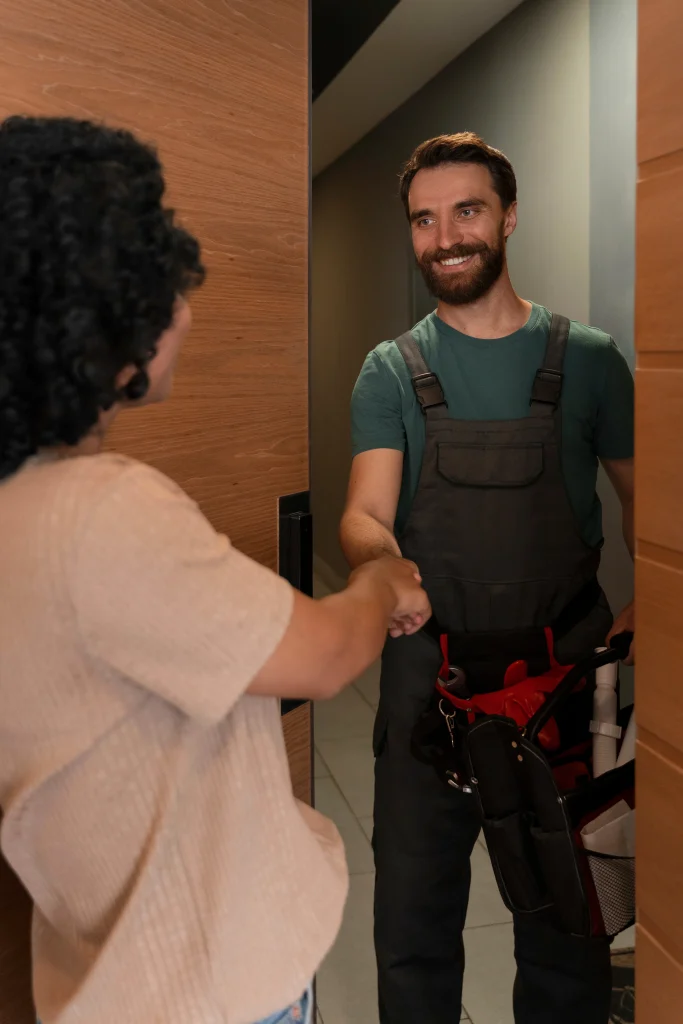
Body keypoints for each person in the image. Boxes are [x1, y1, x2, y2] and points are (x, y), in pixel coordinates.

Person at [0, 115, 431, 1024]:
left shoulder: (20, 507)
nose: (186, 311)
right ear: (89, 312)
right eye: (162, 285)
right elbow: (318, 656)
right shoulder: (101, 513)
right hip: (207, 990)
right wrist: (379, 587)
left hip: (102, 977)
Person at [340, 132, 635, 1024]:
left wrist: (642, 621)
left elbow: (654, 514)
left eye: (465, 211)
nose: (444, 237)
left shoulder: (586, 359)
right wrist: (381, 560)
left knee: (565, 926)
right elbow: (363, 514)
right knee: (413, 923)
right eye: (423, 221)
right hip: (432, 685)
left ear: (507, 217)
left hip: (566, 687)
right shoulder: (390, 370)